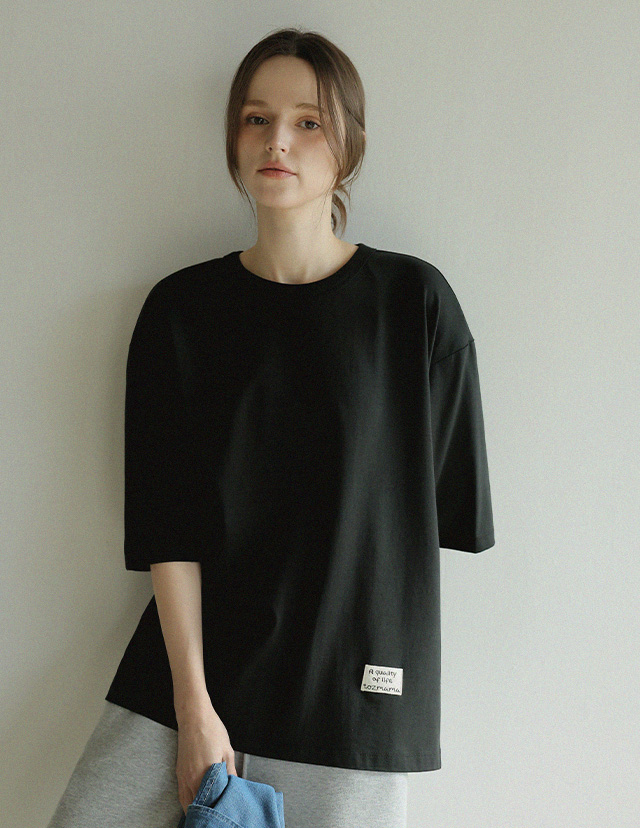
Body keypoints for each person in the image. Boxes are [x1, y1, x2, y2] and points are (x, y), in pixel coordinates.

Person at [46, 26, 495, 828]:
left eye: (308, 121)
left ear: (348, 146)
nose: (276, 140)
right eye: (256, 119)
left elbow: (434, 517)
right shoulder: (181, 312)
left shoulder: (414, 307)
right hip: (192, 685)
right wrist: (194, 709)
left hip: (350, 696)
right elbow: (169, 532)